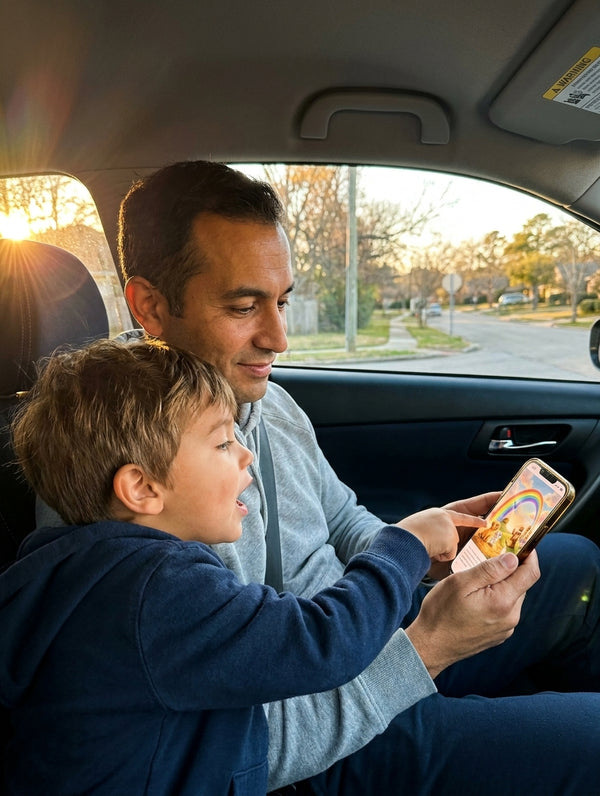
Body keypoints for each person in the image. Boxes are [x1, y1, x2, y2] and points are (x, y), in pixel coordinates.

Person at [118, 160, 599, 794]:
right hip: (319, 734)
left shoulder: (267, 402)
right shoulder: (134, 483)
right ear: (151, 306)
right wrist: (430, 647)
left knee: (580, 565)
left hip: (361, 627)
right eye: (243, 306)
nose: (279, 338)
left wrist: (420, 555)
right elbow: (253, 741)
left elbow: (341, 518)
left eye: (282, 302)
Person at [1, 339, 479, 795]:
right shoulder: (155, 590)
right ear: (142, 489)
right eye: (223, 444)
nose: (246, 453)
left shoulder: (69, 571)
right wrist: (404, 545)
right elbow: (323, 641)